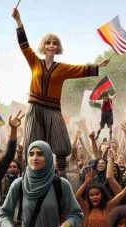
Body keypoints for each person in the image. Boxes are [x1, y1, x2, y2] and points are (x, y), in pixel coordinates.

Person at [11, 6, 109, 173]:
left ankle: (61, 176)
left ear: (58, 47)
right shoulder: (34, 62)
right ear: (44, 45)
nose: (51, 45)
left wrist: (99, 65)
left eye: (54, 43)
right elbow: (24, 45)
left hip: (53, 110)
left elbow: (81, 70)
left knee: (61, 145)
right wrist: (19, 21)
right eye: (48, 42)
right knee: (32, 145)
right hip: (34, 108)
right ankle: (30, 176)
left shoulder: (62, 68)